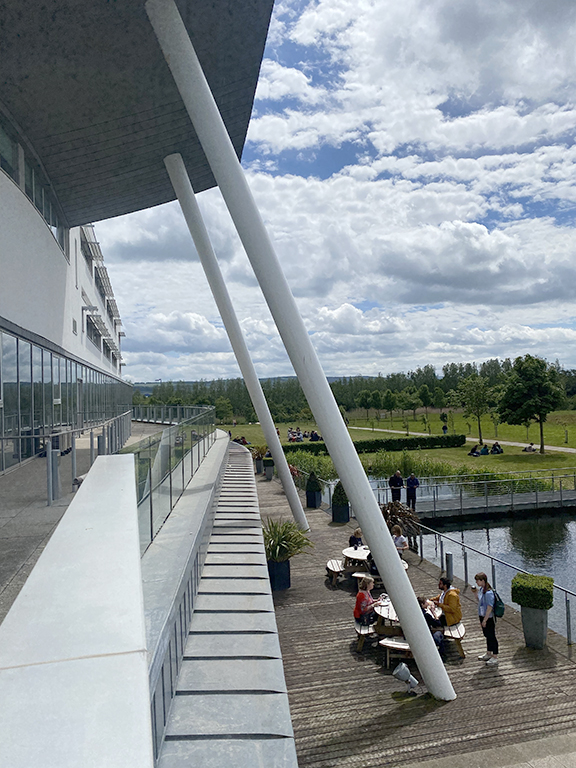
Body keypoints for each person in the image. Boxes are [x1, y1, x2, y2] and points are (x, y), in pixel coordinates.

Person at [472, 572, 499, 666]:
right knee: (487, 635)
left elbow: (489, 607)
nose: (476, 582)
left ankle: (495, 656)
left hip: (488, 618)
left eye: (477, 580)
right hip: (482, 615)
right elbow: (480, 601)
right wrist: (475, 593)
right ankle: (488, 653)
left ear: (482, 580)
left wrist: (485, 620)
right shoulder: (481, 590)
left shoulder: (488, 593)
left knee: (491, 635)